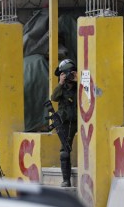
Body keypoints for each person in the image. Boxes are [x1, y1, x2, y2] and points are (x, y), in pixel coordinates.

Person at [51, 58, 78, 187]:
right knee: (65, 150)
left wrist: (80, 81)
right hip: (66, 122)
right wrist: (61, 83)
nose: (70, 76)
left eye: (72, 73)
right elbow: (54, 98)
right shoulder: (62, 88)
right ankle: (66, 180)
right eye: (68, 73)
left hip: (81, 120)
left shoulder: (80, 85)